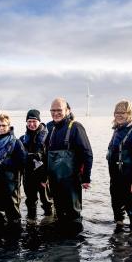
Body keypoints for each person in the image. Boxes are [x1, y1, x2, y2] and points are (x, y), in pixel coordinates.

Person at [42, 98, 93, 233]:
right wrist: (44, 177)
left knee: (73, 216)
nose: (56, 113)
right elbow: (46, 155)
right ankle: (61, 246)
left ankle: (74, 247)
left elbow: (87, 154)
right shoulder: (51, 128)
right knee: (59, 213)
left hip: (71, 182)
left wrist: (86, 178)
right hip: (54, 181)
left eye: (59, 110)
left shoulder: (75, 127)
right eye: (53, 110)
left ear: (67, 110)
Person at [107, 100, 132, 230]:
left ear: (130, 113)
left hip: (129, 179)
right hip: (116, 178)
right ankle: (119, 230)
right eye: (117, 112)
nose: (119, 115)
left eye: (123, 112)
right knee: (116, 206)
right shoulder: (117, 129)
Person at [20, 109, 54, 225]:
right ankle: (31, 222)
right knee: (30, 201)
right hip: (28, 176)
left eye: (34, 121)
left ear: (39, 121)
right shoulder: (22, 139)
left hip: (43, 176)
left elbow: (51, 158)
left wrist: (47, 177)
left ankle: (49, 221)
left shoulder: (48, 137)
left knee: (47, 201)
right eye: (29, 121)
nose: (32, 124)